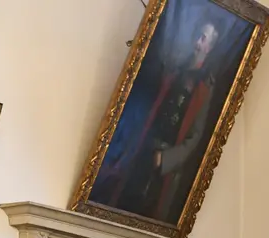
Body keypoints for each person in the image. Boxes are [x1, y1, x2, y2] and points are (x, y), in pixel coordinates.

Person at [90, 16, 226, 222]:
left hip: (163, 168)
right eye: (197, 34)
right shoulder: (174, 72)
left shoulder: (204, 90)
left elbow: (194, 139)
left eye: (203, 38)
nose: (197, 41)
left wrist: (166, 159)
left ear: (209, 47)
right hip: (142, 150)